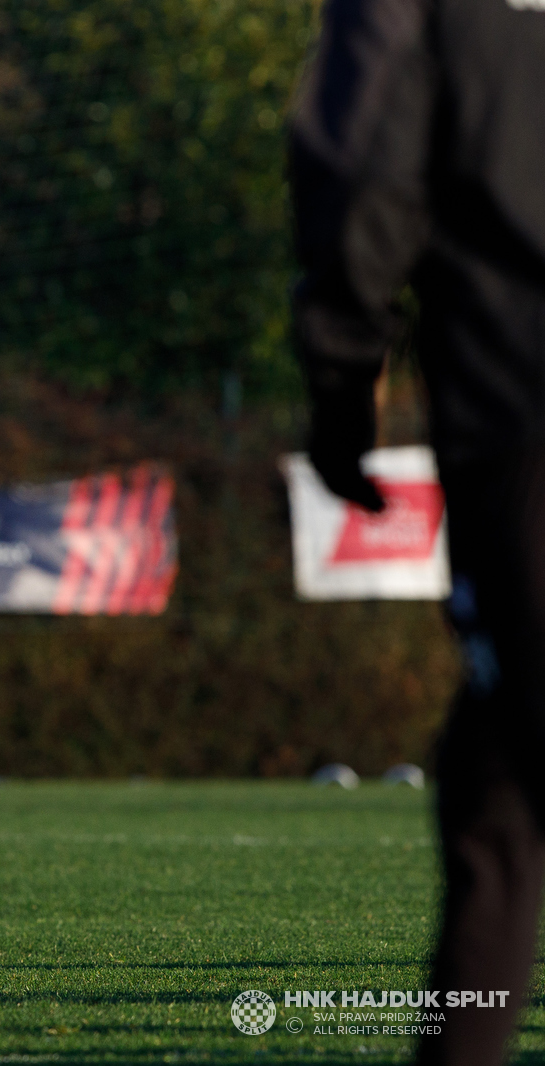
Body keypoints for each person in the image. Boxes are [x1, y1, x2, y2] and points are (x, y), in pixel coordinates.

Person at [290, 1, 545, 1062]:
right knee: (492, 780)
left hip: (520, 420)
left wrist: (343, 387)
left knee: (503, 790)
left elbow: (360, 179)